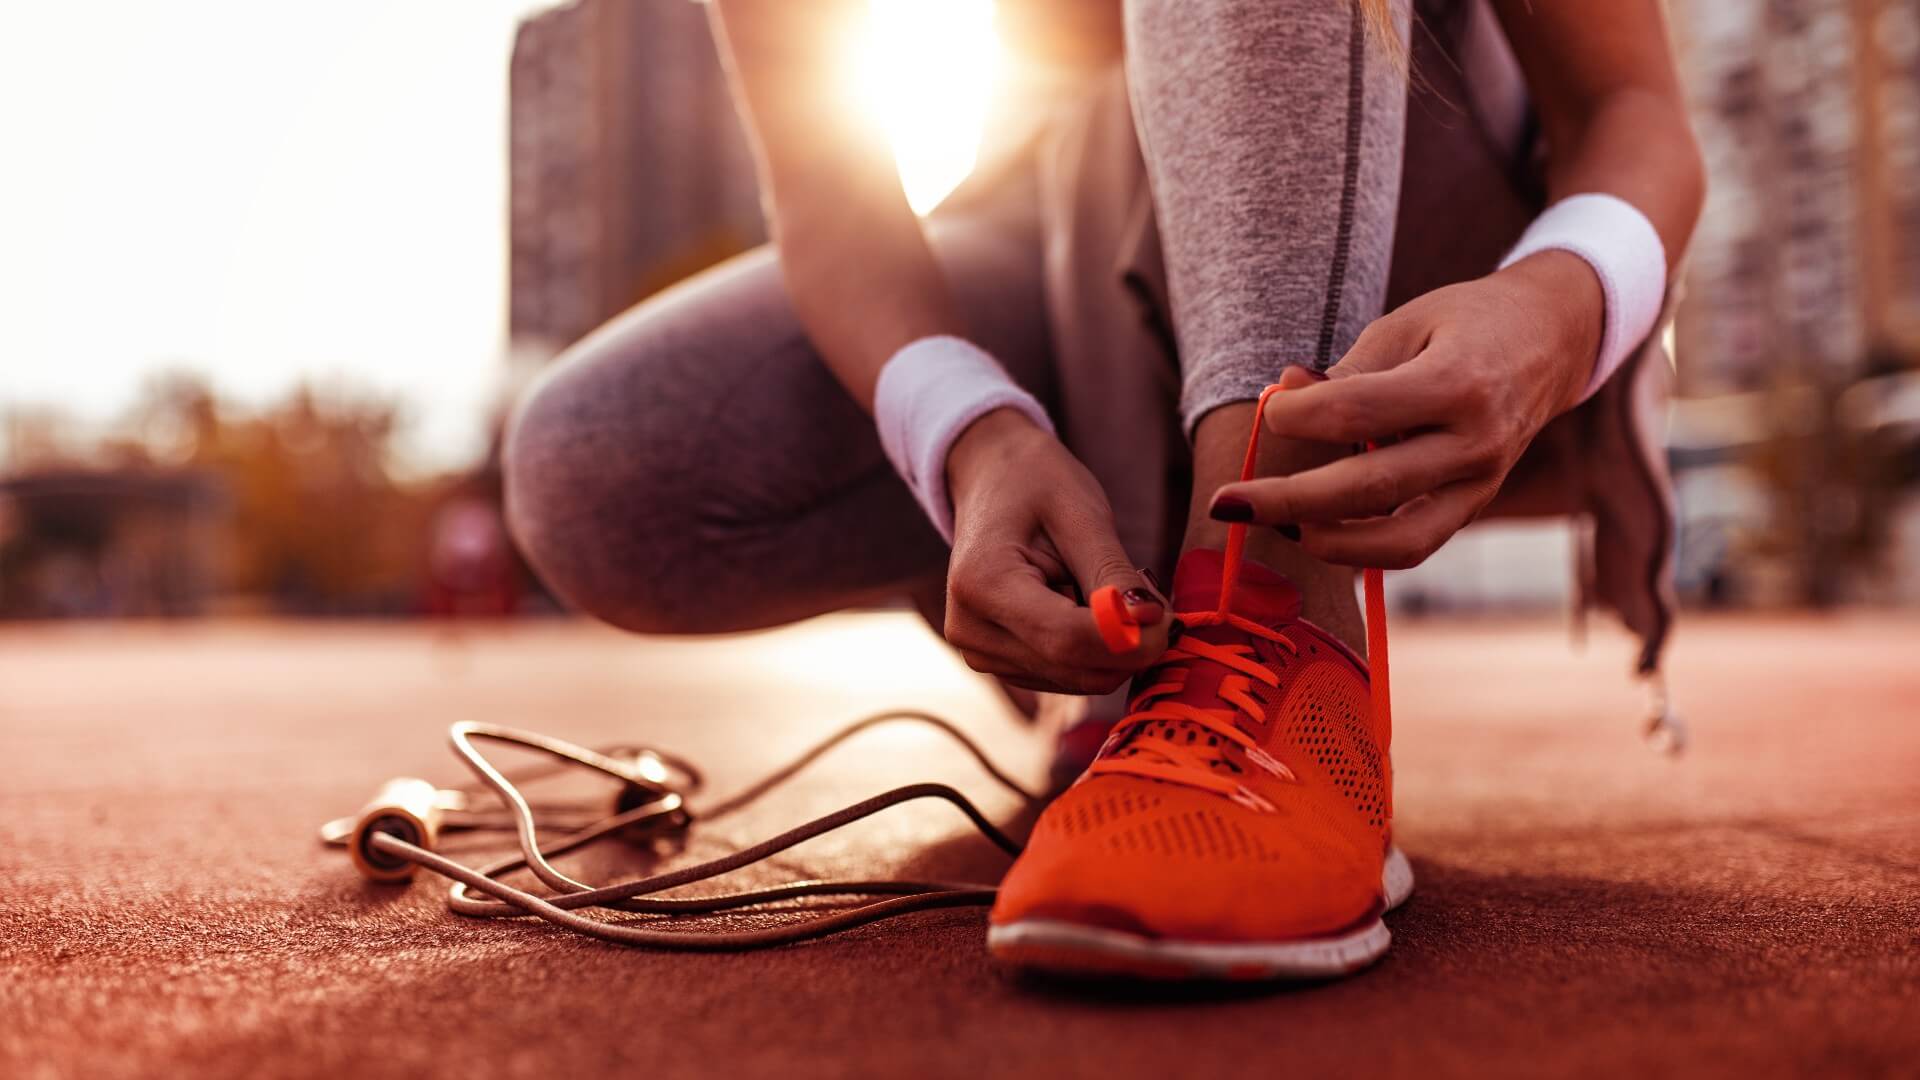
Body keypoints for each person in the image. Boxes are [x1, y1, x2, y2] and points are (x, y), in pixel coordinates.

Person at [503, 0, 1703, 980]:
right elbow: (825, 179)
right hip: (1070, 208)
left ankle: (1280, 635)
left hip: (1454, 227)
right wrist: (970, 432)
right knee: (601, 469)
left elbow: (1631, 103)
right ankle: (1149, 607)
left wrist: (1562, 304)